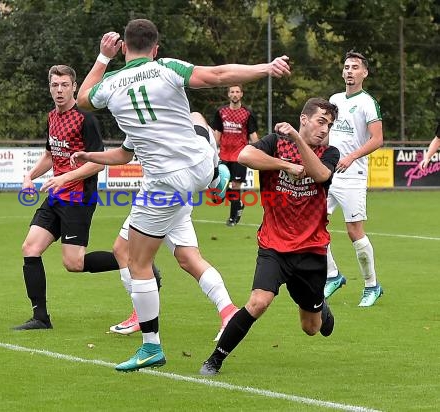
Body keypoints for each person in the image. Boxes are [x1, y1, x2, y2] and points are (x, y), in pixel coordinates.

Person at [73, 18, 290, 372]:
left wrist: (102, 57)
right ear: (156, 48)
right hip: (199, 167)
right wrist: (265, 67)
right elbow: (219, 75)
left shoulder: (110, 84)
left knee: (135, 261)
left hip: (165, 184)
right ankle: (217, 173)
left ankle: (150, 346)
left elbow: (83, 99)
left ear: (124, 48)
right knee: (197, 119)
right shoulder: (167, 68)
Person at [199, 97, 340, 376]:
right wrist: (285, 165)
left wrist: (299, 141)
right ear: (304, 118)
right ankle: (214, 359)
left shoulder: (329, 152)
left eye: (329, 124)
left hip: (311, 250)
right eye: (320, 121)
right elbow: (244, 156)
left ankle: (319, 307)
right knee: (258, 302)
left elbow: (321, 174)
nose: (325, 129)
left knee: (311, 328)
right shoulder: (276, 141)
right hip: (274, 245)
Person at [109, 113, 237, 342]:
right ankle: (228, 311)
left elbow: (122, 154)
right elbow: (199, 122)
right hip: (180, 196)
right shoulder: (175, 117)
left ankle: (142, 318)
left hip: (159, 198)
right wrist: (216, 172)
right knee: (189, 258)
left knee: (123, 250)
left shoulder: (144, 118)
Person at [13, 65, 119, 331]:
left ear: (74, 87)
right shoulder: (52, 117)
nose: (59, 90)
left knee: (74, 263)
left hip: (78, 199)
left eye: (64, 85)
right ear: (49, 88)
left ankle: (133, 262)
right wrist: (30, 177)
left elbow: (97, 164)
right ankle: (40, 317)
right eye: (54, 85)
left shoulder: (86, 119)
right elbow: (50, 156)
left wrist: (65, 178)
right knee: (30, 248)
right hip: (56, 196)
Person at [323, 50, 384, 307]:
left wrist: (350, 157)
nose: (349, 70)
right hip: (329, 173)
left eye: (355, 67)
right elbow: (327, 134)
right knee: (312, 224)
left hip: (353, 175)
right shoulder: (334, 99)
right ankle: (333, 275)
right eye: (346, 66)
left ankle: (372, 285)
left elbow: (377, 139)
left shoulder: (368, 102)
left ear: (364, 73)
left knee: (353, 231)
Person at [211, 84, 259, 226]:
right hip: (224, 155)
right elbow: (217, 134)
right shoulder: (221, 112)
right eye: (232, 92)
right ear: (228, 94)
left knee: (236, 186)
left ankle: (233, 218)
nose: (235, 94)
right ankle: (238, 203)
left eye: (237, 92)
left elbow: (253, 136)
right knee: (221, 187)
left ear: (242, 94)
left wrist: (258, 151)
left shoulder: (247, 114)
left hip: (240, 156)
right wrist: (212, 152)